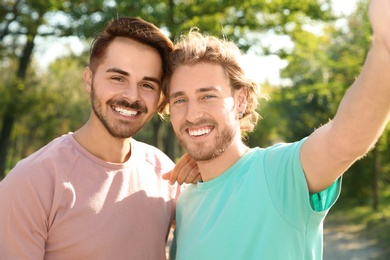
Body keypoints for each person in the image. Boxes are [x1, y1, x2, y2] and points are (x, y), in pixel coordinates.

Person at [160, 0, 390, 259]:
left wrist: (384, 49)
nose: (192, 114)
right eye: (179, 100)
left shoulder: (278, 172)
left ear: (241, 100)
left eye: (208, 96)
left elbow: (344, 141)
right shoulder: (184, 203)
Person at [0, 17, 197, 259]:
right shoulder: (31, 182)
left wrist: (207, 169)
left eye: (147, 85)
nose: (131, 96)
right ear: (89, 80)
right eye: (118, 78)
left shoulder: (163, 171)